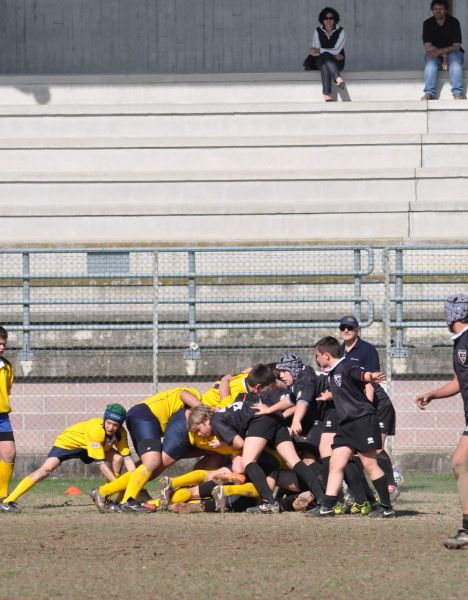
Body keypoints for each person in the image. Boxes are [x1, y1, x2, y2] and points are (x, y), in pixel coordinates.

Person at [308, 336, 395, 518]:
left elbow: (360, 374)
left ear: (326, 355)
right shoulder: (333, 371)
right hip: (346, 424)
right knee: (336, 462)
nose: (316, 359)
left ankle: (387, 508)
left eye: (317, 355)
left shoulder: (346, 365)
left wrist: (370, 376)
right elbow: (346, 389)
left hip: (362, 421)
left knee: (369, 463)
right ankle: (328, 506)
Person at [0, 404, 135, 513]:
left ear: (120, 425)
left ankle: (111, 500)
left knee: (118, 458)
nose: (111, 427)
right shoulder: (96, 431)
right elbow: (101, 465)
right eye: (109, 423)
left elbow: (127, 458)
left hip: (90, 448)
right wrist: (120, 486)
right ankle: (7, 501)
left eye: (115, 425)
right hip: (68, 444)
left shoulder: (121, 433)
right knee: (46, 470)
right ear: (104, 419)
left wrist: (136, 482)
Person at [416, 294, 468, 549]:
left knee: (460, 463)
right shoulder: (460, 342)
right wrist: (433, 394)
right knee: (459, 464)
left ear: (453, 315)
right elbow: (460, 382)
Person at [339, 315, 401, 500]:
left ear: (357, 329)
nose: (346, 331)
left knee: (377, 448)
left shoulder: (367, 350)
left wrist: (365, 407)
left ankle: (391, 483)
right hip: (359, 406)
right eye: (343, 327)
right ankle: (362, 489)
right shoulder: (339, 351)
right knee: (360, 450)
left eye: (350, 327)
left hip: (377, 404)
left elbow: (371, 382)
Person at [421, 1, 465, 100]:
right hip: (434, 53)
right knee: (431, 64)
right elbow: (428, 46)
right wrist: (444, 54)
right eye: (435, 9)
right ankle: (429, 93)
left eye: (440, 9)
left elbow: (456, 46)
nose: (438, 11)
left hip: (453, 53)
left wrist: (443, 53)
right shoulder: (427, 23)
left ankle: (458, 92)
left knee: (454, 61)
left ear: (445, 10)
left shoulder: (454, 22)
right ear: (432, 10)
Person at [309, 7, 346, 102]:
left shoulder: (341, 31)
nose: (328, 20)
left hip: (337, 62)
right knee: (324, 57)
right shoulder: (317, 31)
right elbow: (316, 54)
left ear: (335, 19)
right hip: (321, 59)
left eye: (331, 18)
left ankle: (327, 94)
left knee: (324, 61)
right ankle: (337, 77)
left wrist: (320, 50)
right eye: (326, 18)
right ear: (322, 20)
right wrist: (332, 54)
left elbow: (337, 50)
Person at [0, 326, 15, 501]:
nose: (2, 347)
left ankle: (2, 497)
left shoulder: (7, 366)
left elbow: (7, 391)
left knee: (9, 453)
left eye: (4, 344)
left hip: (2, 417)